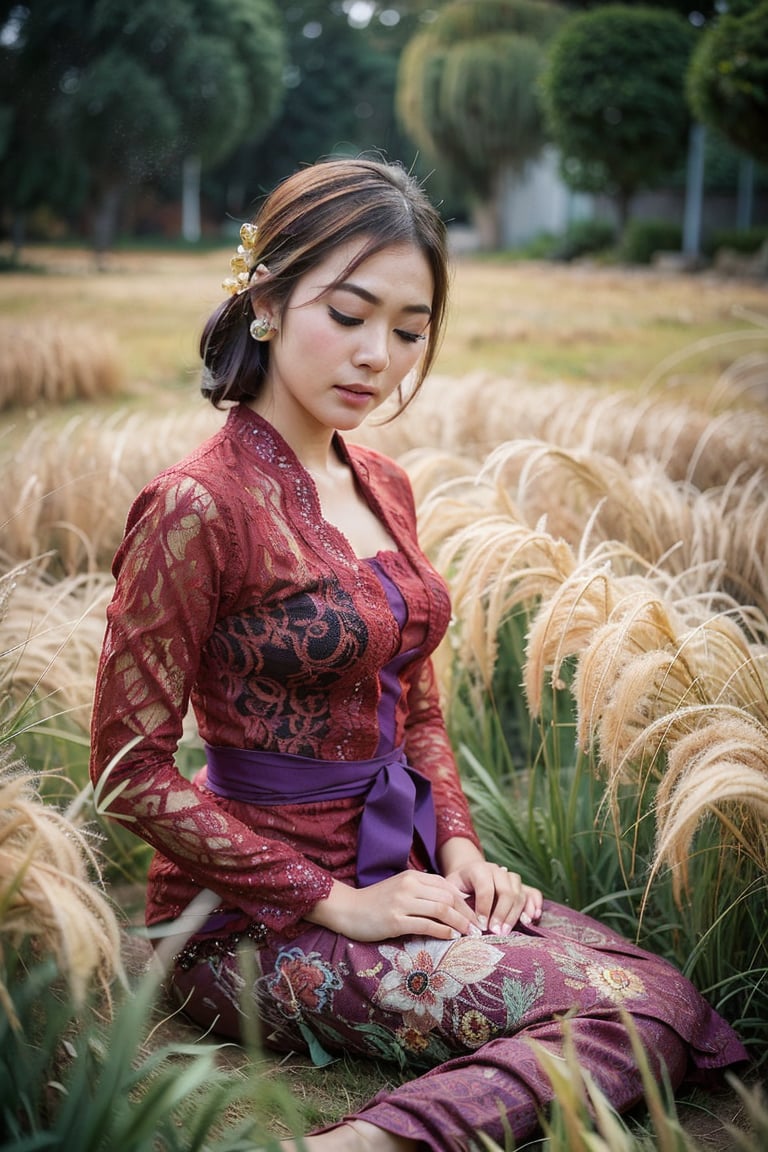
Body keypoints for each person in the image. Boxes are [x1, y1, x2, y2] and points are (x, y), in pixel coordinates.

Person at [90, 157, 747, 1152]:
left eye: (409, 328)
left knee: (659, 993)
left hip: (406, 874)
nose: (378, 358)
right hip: (248, 927)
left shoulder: (384, 483)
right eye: (348, 315)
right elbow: (126, 771)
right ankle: (360, 1145)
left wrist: (465, 852)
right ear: (267, 296)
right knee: (625, 1020)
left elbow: (420, 712)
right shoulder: (199, 506)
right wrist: (338, 905)